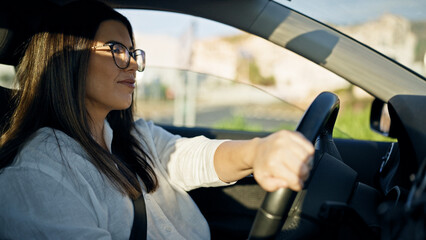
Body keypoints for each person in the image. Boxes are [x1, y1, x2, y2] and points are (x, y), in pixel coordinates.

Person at [0, 1, 314, 239]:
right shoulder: (37, 175)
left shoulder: (134, 137)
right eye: (118, 50)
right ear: (69, 57)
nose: (134, 65)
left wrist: (259, 151)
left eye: (134, 54)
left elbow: (192, 157)